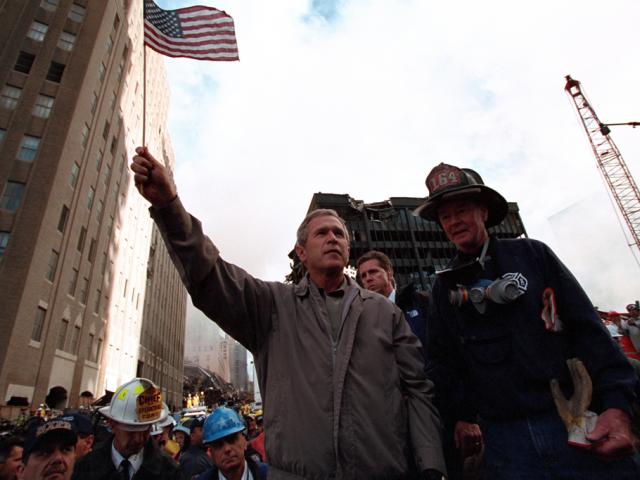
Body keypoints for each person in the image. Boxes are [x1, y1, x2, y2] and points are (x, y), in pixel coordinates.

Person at [131, 146, 446, 479]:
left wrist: (430, 466)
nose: (332, 238)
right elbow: (209, 273)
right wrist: (168, 206)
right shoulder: (271, 306)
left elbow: (417, 390)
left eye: (339, 233)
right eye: (322, 233)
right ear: (301, 251)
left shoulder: (384, 313)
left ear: (349, 249)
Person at [416, 162, 639, 479]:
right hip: (505, 441)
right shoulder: (444, 288)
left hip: (574, 422)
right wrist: (460, 416)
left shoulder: (534, 255)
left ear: (483, 211)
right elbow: (443, 361)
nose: (453, 222)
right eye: (445, 216)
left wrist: (617, 406)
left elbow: (589, 332)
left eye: (461, 210)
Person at [357, 250, 482, 479]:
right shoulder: (360, 323)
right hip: (391, 430)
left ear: (389, 272)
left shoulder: (424, 304)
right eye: (363, 276)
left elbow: (455, 359)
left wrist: (466, 416)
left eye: (373, 272)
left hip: (439, 418)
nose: (368, 279)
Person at [72, 377, 181, 480]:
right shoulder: (85, 468)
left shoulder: (170, 471)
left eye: (145, 431)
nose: (139, 439)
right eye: (131, 432)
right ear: (112, 425)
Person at [195, 408, 267, 480]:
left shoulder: (270, 474)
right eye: (218, 445)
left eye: (232, 440)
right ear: (211, 453)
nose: (227, 449)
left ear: (244, 442)